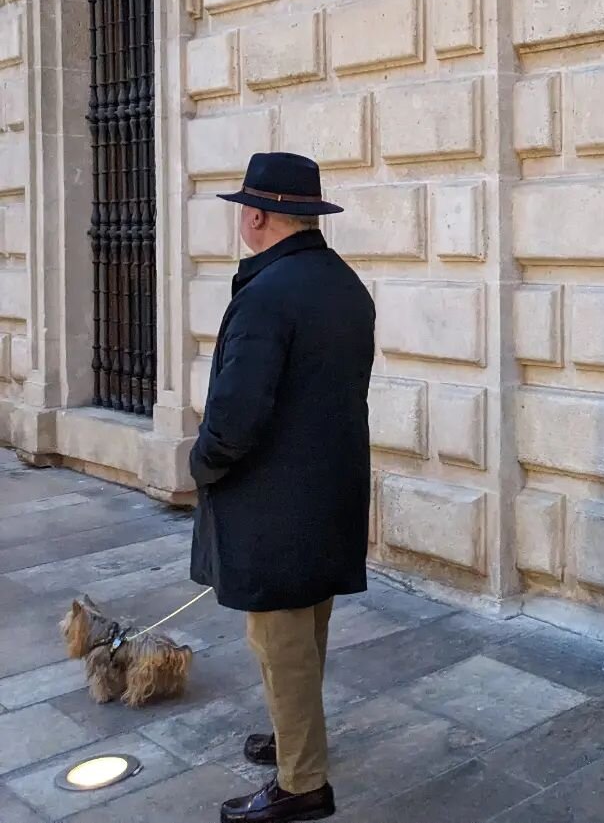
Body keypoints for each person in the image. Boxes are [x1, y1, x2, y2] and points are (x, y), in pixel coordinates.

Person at [189, 152, 375, 823]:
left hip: (277, 502)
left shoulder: (267, 294)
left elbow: (237, 415)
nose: (242, 217)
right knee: (307, 630)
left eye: (244, 207)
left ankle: (303, 782)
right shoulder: (345, 284)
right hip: (330, 492)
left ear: (261, 215)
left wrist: (201, 463)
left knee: (280, 641)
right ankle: (293, 736)